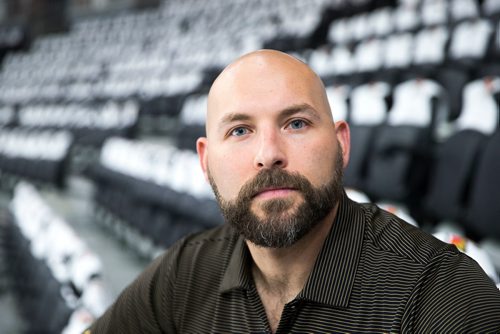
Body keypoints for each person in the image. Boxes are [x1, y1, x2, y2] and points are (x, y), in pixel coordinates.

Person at [87, 50, 500, 333]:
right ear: (205, 160)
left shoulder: (445, 296)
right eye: (240, 131)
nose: (269, 155)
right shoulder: (184, 271)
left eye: (296, 124)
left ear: (341, 144)